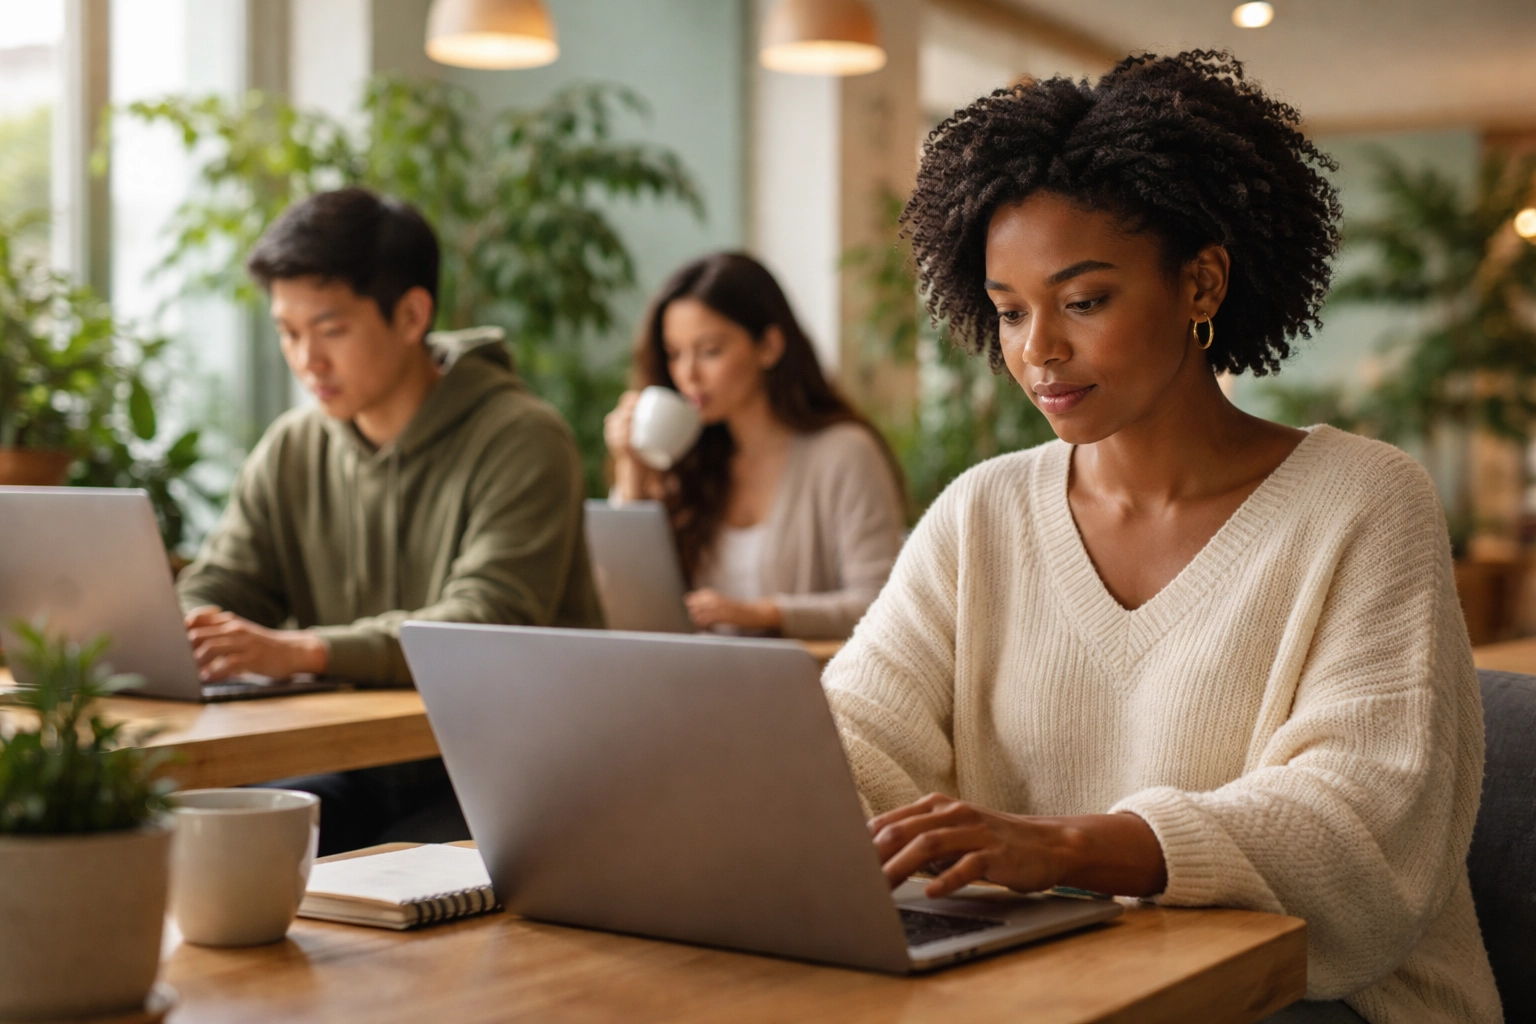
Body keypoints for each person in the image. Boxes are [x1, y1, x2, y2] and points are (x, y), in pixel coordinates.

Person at [825, 53, 1500, 1024]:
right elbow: (852, 739)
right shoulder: (982, 512)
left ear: (1202, 283)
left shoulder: (1364, 500)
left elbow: (1359, 819)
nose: (1038, 351)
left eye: (1084, 301)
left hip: (1322, 997)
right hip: (1057, 985)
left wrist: (1068, 847)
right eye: (1010, 312)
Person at [177, 187, 603, 852]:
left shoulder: (524, 438)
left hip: (509, 777)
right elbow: (221, 583)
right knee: (205, 847)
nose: (306, 361)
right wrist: (188, 626)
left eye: (330, 330)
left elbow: (486, 622)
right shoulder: (294, 446)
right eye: (288, 333)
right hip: (360, 768)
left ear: (411, 315)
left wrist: (302, 649)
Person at [603, 252, 906, 640]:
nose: (687, 375)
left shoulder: (845, 454)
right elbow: (625, 602)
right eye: (675, 354)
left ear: (769, 346)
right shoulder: (687, 459)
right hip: (688, 687)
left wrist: (762, 614)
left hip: (804, 690)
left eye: (710, 350)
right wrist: (632, 467)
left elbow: (882, 604)